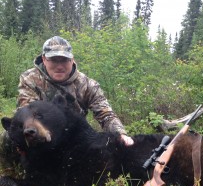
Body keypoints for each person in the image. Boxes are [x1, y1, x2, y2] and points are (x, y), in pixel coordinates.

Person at [0, 36, 133, 175]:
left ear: (72, 60)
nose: (59, 66)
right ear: (44, 59)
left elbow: (105, 114)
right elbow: (27, 112)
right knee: (8, 137)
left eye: (64, 60)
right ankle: (14, 174)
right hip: (42, 134)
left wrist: (121, 135)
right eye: (53, 60)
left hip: (73, 135)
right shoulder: (30, 78)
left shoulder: (87, 84)